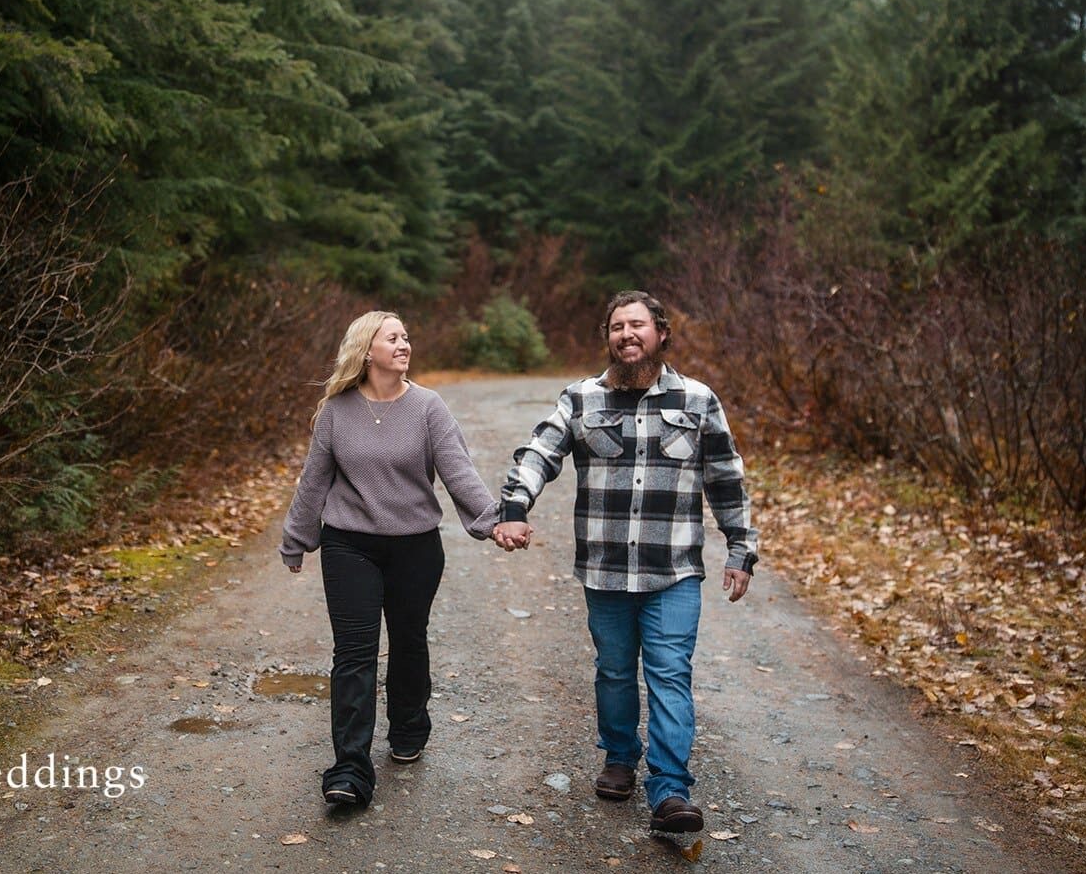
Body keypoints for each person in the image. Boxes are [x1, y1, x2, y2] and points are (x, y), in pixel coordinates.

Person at [490, 290, 756, 835]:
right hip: (605, 570)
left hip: (673, 570)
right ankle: (618, 756)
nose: (627, 334)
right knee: (613, 670)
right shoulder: (581, 398)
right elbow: (539, 452)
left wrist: (740, 548)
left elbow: (726, 478)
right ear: (608, 338)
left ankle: (670, 789)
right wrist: (515, 506)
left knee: (670, 672)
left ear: (661, 333)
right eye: (617, 327)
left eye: (637, 324)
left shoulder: (698, 400)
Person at [280, 310, 505, 807]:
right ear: (367, 352)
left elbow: (458, 471)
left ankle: (408, 727)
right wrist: (297, 538)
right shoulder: (336, 411)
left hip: (415, 547)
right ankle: (350, 769)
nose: (404, 345)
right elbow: (314, 480)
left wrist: (493, 521)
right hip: (349, 544)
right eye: (393, 338)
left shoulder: (428, 407)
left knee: (408, 640)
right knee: (353, 653)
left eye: (406, 337)